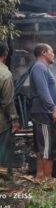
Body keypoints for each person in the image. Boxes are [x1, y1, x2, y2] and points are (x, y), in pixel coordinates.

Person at [29, 43, 56, 182]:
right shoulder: (39, 67)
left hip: (44, 112)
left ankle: (40, 176)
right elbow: (43, 92)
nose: (53, 54)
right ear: (44, 52)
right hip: (43, 113)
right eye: (51, 51)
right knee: (47, 145)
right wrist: (54, 109)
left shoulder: (43, 68)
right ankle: (47, 179)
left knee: (42, 145)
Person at [0, 42, 19, 179]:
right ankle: (5, 180)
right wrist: (14, 119)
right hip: (2, 122)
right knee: (4, 149)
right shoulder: (5, 74)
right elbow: (7, 102)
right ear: (5, 54)